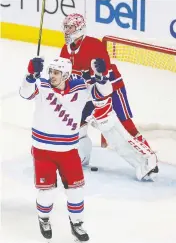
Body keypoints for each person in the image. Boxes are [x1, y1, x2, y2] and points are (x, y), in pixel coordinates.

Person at [19, 56, 113, 242]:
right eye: (50, 72)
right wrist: (30, 75)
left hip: (69, 151)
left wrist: (102, 75)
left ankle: (76, 224)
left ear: (67, 75)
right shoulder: (42, 86)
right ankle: (44, 218)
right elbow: (25, 92)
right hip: (43, 150)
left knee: (76, 190)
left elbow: (104, 92)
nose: (52, 76)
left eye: (56, 73)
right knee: (47, 192)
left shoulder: (79, 88)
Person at [60, 13, 158, 180]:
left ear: (80, 28)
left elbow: (103, 74)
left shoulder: (93, 45)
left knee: (124, 123)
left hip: (111, 87)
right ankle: (81, 155)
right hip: (88, 92)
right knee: (77, 122)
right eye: (66, 26)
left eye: (71, 27)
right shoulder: (65, 49)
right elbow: (64, 76)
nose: (67, 30)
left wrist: (100, 74)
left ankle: (148, 159)